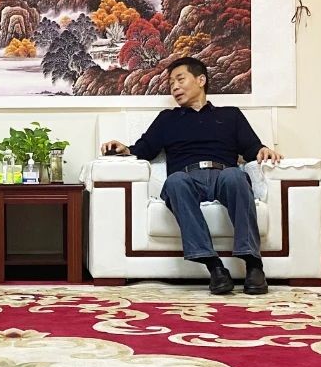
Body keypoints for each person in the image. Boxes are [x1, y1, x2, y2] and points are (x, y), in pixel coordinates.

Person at [100, 56, 283, 295]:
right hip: (186, 178)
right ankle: (215, 267)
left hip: (223, 175)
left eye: (180, 79)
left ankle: (253, 264)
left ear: (201, 80)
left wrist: (263, 150)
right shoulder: (167, 119)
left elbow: (251, 149)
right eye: (171, 83)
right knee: (175, 181)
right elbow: (143, 149)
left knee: (236, 177)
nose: (174, 87)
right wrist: (124, 149)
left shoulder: (231, 115)